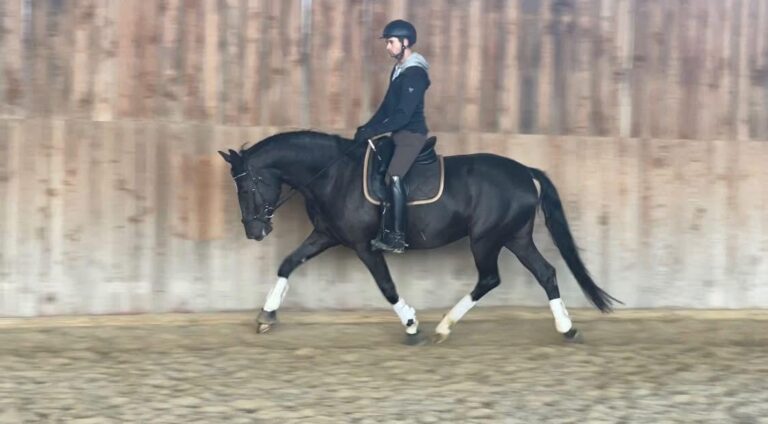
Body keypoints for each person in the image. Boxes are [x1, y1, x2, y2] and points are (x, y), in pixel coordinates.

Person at [354, 19, 431, 254]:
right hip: (398, 133)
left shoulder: (415, 73)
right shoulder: (398, 71)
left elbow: (403, 115)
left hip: (412, 134)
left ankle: (397, 237)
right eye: (387, 43)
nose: (388, 47)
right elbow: (387, 108)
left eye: (391, 42)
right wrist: (366, 128)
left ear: (405, 43)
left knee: (394, 176)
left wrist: (375, 130)